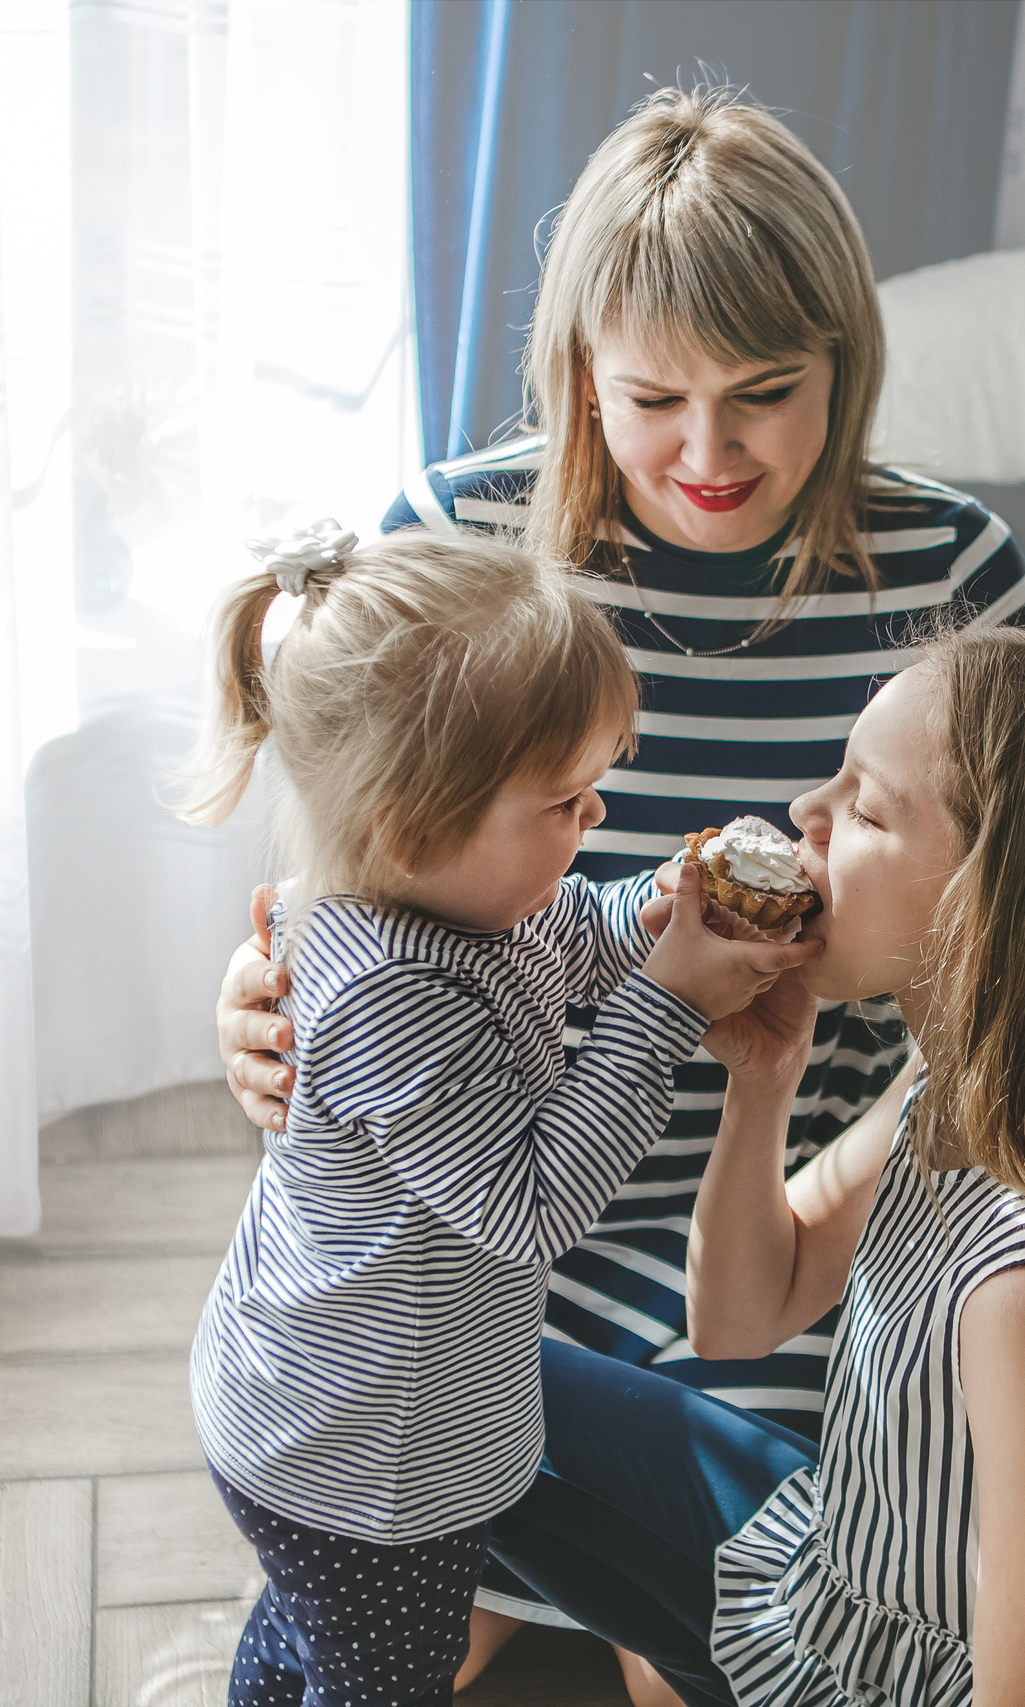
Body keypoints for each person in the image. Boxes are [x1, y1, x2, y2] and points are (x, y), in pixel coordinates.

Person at [213, 83, 1025, 1696]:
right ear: (579, 368)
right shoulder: (463, 535)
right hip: (494, 1195)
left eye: (767, 394)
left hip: (804, 1167)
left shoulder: (955, 574)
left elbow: (1004, 934)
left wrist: (858, 1134)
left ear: (846, 369)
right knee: (423, 1615)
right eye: (653, 396)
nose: (709, 454)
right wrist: (255, 1003)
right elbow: (342, 878)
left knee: (736, 1637)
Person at [484, 625, 1025, 1707]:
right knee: (442, 1358)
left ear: (997, 904)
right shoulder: (959, 1092)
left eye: (865, 811)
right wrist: (764, 1078)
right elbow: (736, 1317)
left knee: (429, 1380)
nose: (803, 819)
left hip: (883, 1682)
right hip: (833, 1586)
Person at [176, 526, 816, 1707]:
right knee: (390, 1675)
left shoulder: (463, 905)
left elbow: (570, 937)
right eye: (566, 801)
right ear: (414, 823)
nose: (596, 816)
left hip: (341, 1404)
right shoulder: (383, 995)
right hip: (360, 1453)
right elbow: (533, 1207)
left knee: (310, 1630)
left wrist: (659, 909)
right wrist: (670, 998)